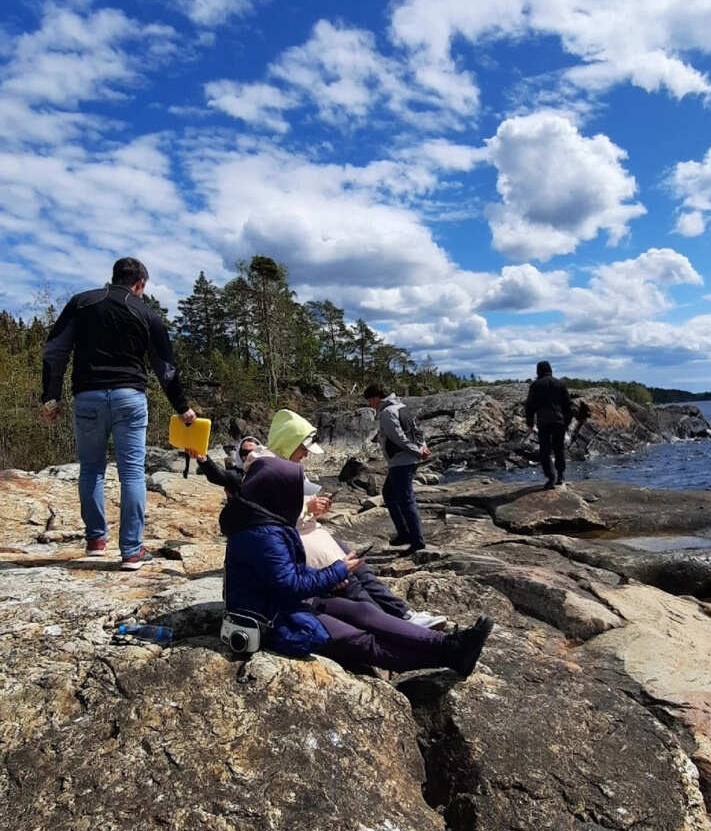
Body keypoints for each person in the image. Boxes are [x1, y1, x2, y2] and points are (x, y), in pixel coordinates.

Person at [222, 453, 493, 677]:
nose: (297, 500)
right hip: (272, 618)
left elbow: (286, 574)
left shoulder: (264, 522)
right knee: (362, 641)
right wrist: (336, 571)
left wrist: (329, 575)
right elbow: (288, 585)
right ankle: (450, 657)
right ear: (276, 494)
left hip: (286, 603)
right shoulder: (260, 534)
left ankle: (448, 642)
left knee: (364, 611)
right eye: (293, 493)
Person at [196, 413, 446, 625]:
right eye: (303, 448)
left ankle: (404, 615)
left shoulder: (278, 463)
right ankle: (398, 627)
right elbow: (268, 517)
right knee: (352, 586)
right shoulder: (263, 468)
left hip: (312, 537)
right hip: (299, 547)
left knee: (363, 573)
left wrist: (312, 508)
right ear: (290, 443)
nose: (305, 455)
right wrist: (308, 508)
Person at [41, 256, 196, 564]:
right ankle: (131, 551)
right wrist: (182, 408)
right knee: (132, 473)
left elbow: (55, 351)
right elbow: (165, 368)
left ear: (113, 277)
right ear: (139, 284)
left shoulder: (81, 303)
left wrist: (51, 397)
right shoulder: (146, 312)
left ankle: (96, 541)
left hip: (88, 397)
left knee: (91, 469)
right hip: (129, 398)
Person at [363, 382, 430, 551]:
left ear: (376, 398)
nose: (369, 405)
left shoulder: (387, 412)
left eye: (370, 401)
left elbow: (398, 438)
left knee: (406, 500)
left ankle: (416, 541)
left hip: (402, 461)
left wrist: (417, 451)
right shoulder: (402, 407)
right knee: (390, 494)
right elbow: (417, 431)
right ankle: (405, 533)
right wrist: (423, 446)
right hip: (405, 460)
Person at [524, 361, 573, 490]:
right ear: (550, 370)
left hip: (544, 422)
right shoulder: (560, 384)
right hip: (559, 421)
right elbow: (568, 406)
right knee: (559, 448)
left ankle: (551, 478)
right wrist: (567, 423)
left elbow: (529, 406)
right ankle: (561, 476)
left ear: (538, 371)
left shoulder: (535, 385)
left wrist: (530, 423)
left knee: (545, 451)